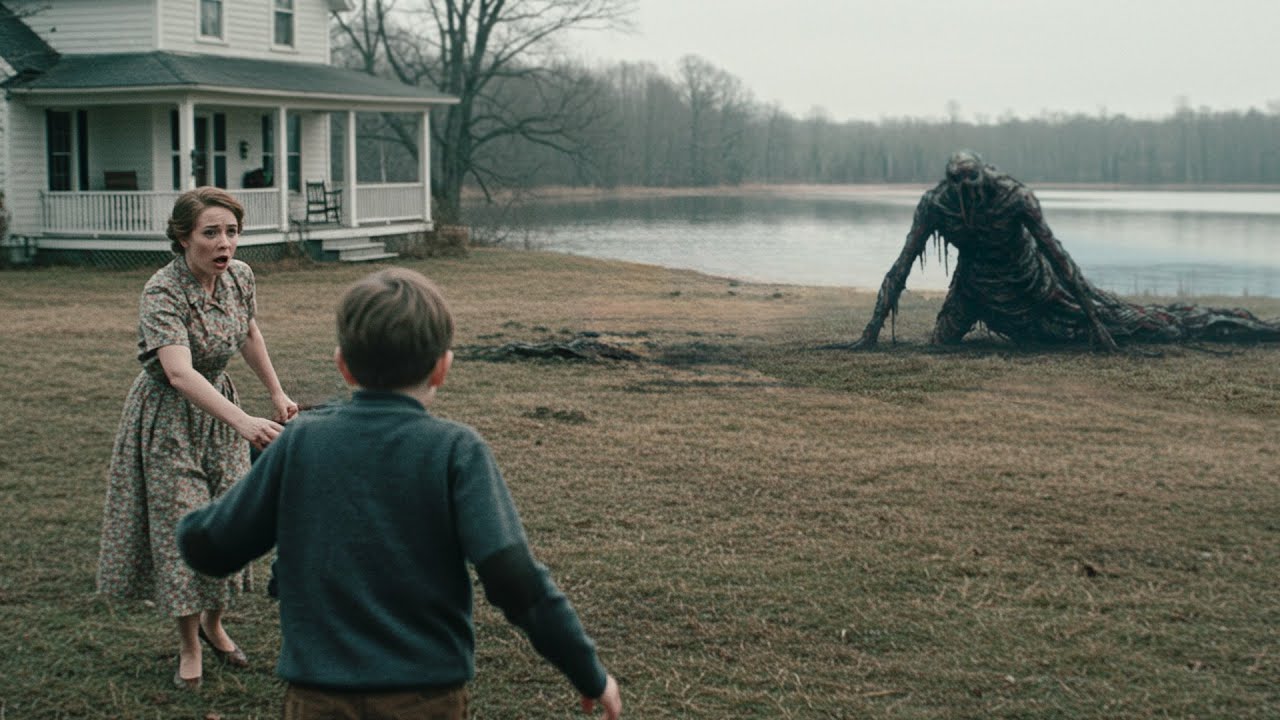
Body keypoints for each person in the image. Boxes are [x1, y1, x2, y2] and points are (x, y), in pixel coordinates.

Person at [176, 268, 622, 719]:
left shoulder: (299, 443)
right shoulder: (456, 450)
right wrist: (587, 670)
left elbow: (212, 546)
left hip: (317, 698)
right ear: (443, 368)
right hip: (428, 698)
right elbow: (513, 576)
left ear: (343, 365)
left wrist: (191, 511)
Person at [97, 186, 298, 691]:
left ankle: (214, 623)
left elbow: (248, 334)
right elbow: (181, 374)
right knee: (182, 527)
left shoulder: (240, 277)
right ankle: (189, 643)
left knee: (226, 521)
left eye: (231, 232)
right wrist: (246, 423)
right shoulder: (162, 292)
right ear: (184, 238)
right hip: (168, 417)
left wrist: (275, 394)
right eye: (211, 233)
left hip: (220, 413)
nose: (224, 243)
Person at [849, 150, 1280, 350]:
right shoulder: (935, 205)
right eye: (956, 183)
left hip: (1035, 288)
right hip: (973, 291)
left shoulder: (1015, 198)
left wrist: (1095, 319)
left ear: (984, 176)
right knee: (940, 344)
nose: (965, 192)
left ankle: (1238, 323)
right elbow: (900, 267)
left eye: (971, 181)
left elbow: (1058, 258)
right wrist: (869, 336)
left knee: (1145, 325)